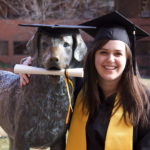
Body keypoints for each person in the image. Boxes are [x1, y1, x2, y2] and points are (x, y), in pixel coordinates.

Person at [20, 11, 150, 150]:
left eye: (118, 53)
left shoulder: (143, 102)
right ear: (94, 56)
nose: (110, 59)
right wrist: (29, 63)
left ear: (128, 59)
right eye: (103, 52)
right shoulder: (76, 90)